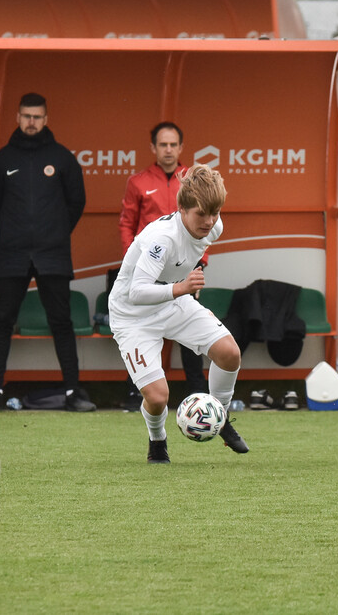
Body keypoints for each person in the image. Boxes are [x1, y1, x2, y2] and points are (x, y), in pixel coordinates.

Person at [108, 164, 249, 463]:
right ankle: (157, 439)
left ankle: (220, 419)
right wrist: (182, 287)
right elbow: (136, 291)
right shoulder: (162, 239)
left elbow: (178, 278)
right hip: (133, 315)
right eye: (201, 214)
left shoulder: (214, 225)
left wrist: (178, 290)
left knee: (229, 353)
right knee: (158, 398)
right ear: (182, 208)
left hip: (172, 300)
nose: (210, 222)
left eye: (215, 212)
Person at [0, 92, 94, 413]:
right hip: (12, 253)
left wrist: (55, 232)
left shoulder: (61, 158)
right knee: (2, 320)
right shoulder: (3, 159)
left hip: (53, 253)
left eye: (37, 117)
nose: (31, 122)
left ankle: (74, 391)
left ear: (46, 120)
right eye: (26, 116)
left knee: (61, 321)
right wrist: (17, 231)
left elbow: (77, 202)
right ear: (18, 118)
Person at [116, 121, 209, 410]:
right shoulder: (138, 182)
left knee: (189, 328)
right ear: (153, 148)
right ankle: (139, 393)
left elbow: (205, 223)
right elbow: (126, 225)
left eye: (173, 145)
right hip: (149, 272)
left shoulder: (193, 180)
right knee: (143, 330)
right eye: (162, 145)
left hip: (185, 269)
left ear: (181, 148)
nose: (168, 150)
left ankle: (197, 392)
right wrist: (132, 268)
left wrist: (200, 265)